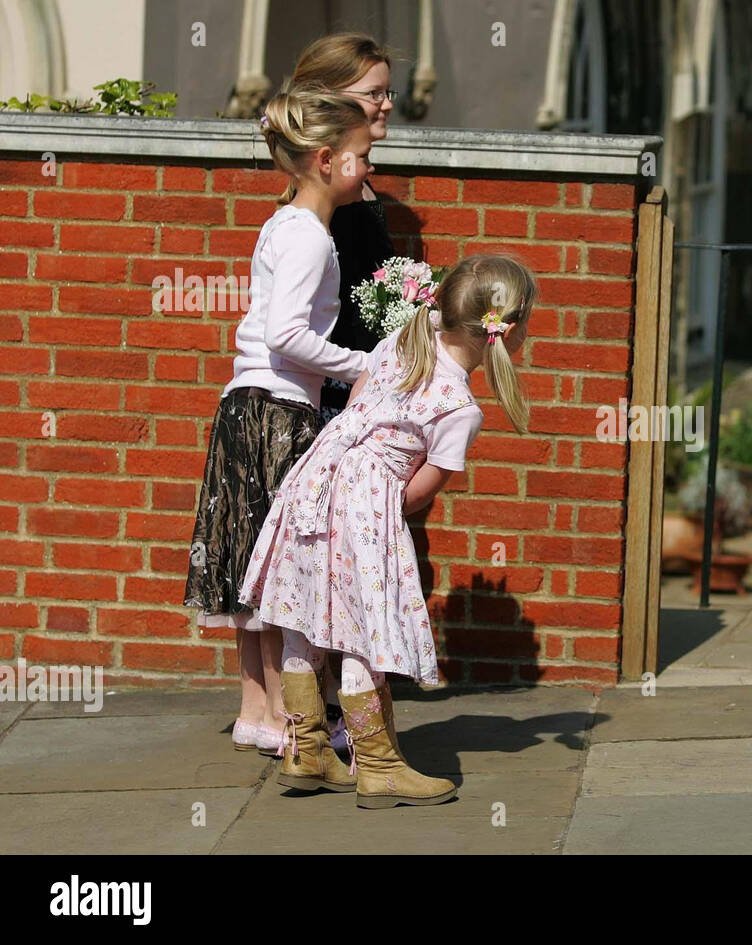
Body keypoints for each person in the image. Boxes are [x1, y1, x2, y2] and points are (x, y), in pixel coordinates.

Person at [238, 255, 534, 808]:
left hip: (315, 474)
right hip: (366, 497)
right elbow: (424, 486)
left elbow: (355, 403)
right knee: (364, 623)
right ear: (507, 330)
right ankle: (376, 765)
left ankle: (306, 750)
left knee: (306, 611)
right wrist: (380, 511)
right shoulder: (460, 406)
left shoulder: (405, 336)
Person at [182, 86, 373, 754]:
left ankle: (260, 714)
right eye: (361, 156)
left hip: (250, 405)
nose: (368, 169)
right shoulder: (309, 239)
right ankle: (289, 720)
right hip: (276, 411)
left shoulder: (288, 224)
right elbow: (287, 333)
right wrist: (361, 365)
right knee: (282, 570)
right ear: (326, 159)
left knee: (253, 565)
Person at [287, 32, 398, 750]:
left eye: (388, 90)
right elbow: (313, 324)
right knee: (343, 567)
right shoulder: (326, 211)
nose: (387, 103)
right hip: (338, 403)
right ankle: (341, 729)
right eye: (373, 93)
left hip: (358, 395)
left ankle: (333, 725)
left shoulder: (359, 199)